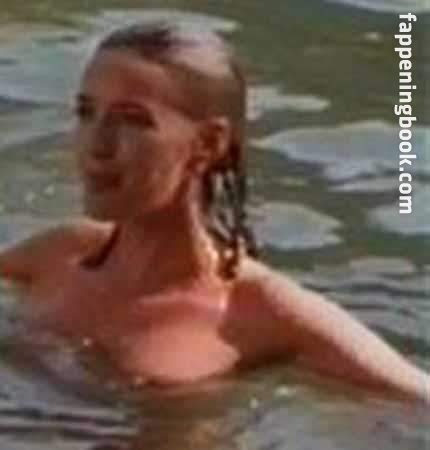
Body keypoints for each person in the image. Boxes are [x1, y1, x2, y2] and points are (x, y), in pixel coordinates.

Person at [0, 22, 428, 404]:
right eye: (87, 113)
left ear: (208, 143)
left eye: (133, 120)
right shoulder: (59, 253)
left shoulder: (258, 310)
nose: (97, 145)